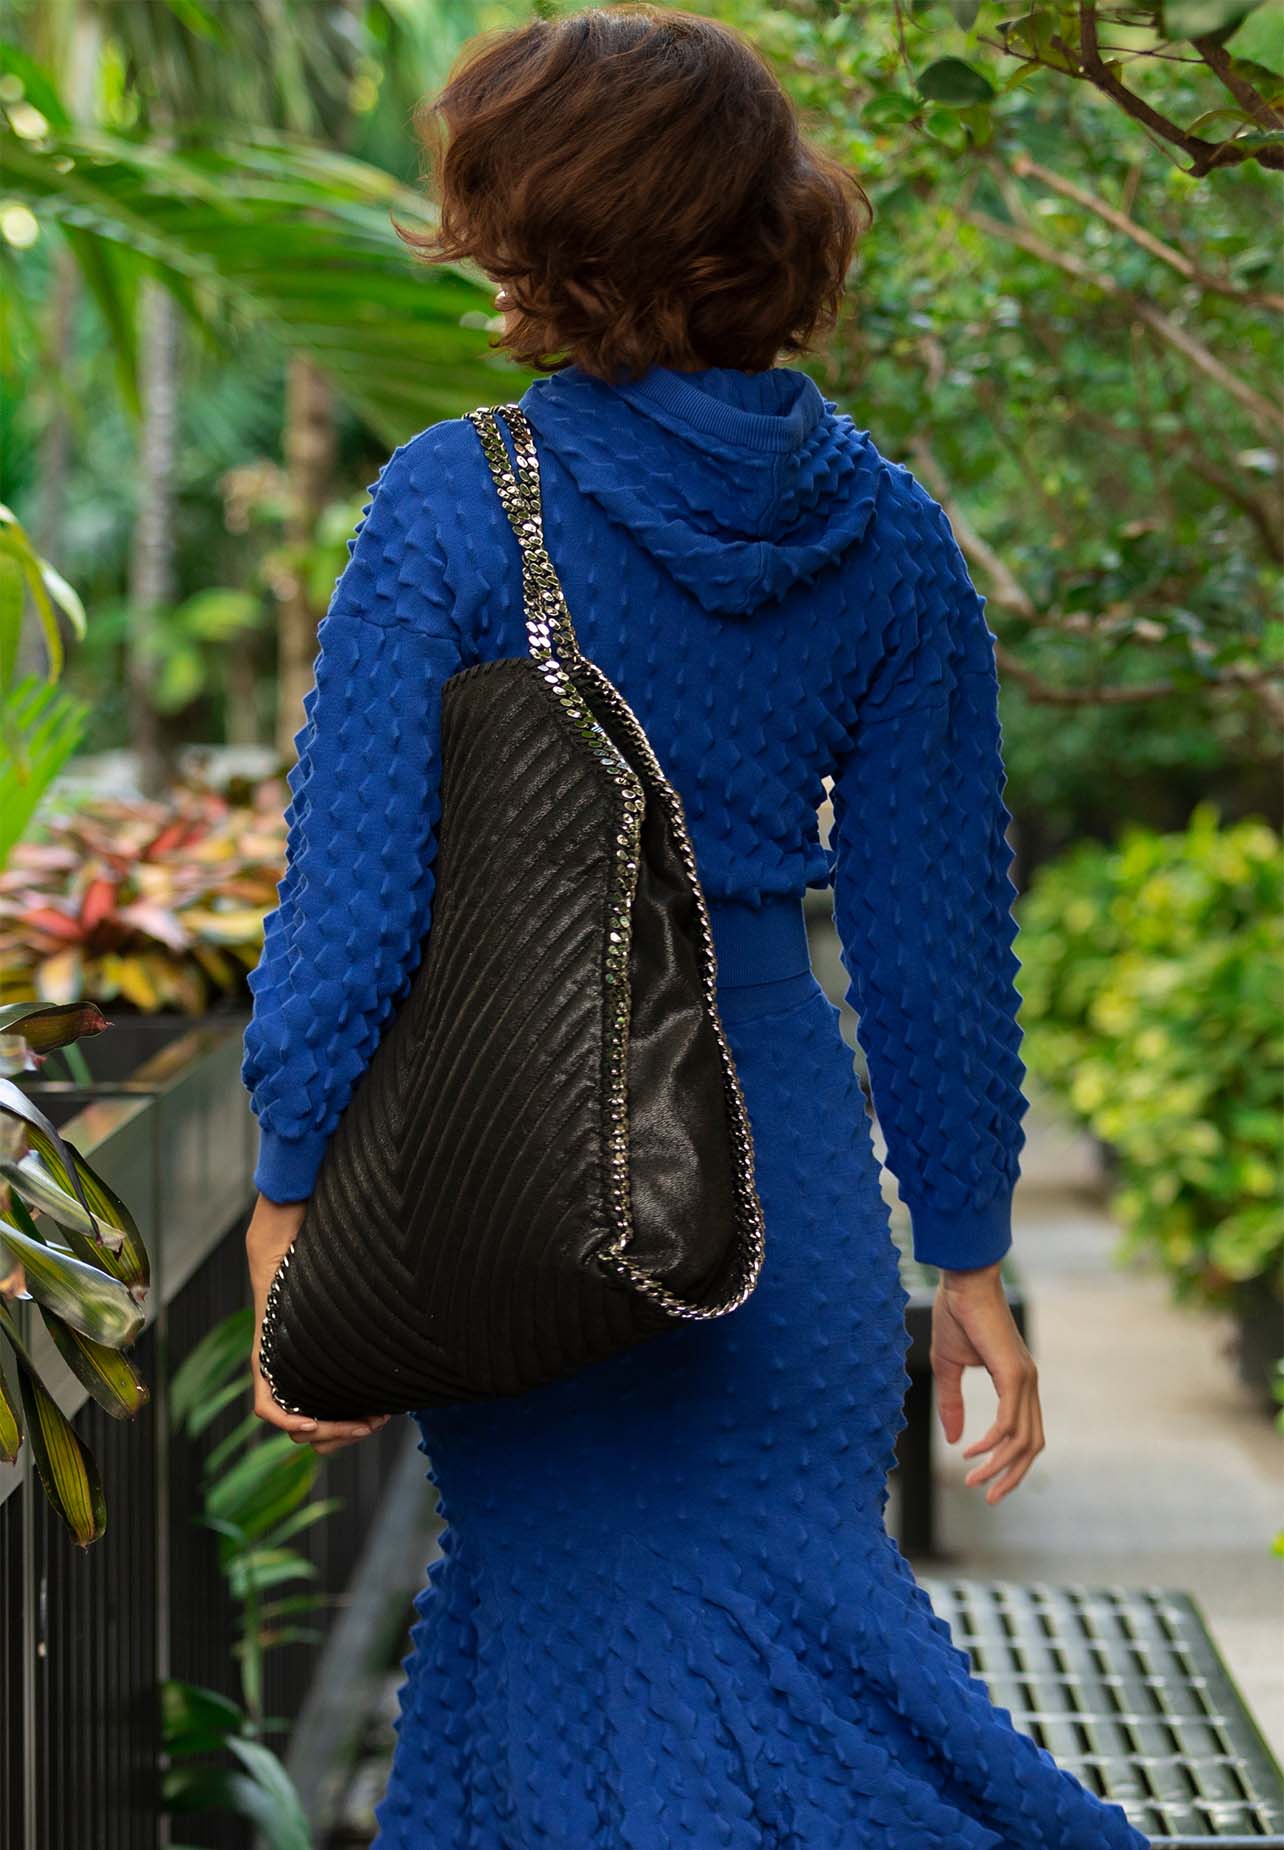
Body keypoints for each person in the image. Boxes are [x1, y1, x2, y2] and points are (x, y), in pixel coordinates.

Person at [241, 8, 1152, 1845]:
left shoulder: (459, 500)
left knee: (594, 1690)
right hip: (775, 1199)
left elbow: (350, 909)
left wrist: (286, 1211)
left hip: (514, 1185)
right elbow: (936, 946)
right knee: (777, 1670)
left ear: (548, 230)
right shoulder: (893, 540)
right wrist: (964, 1256)